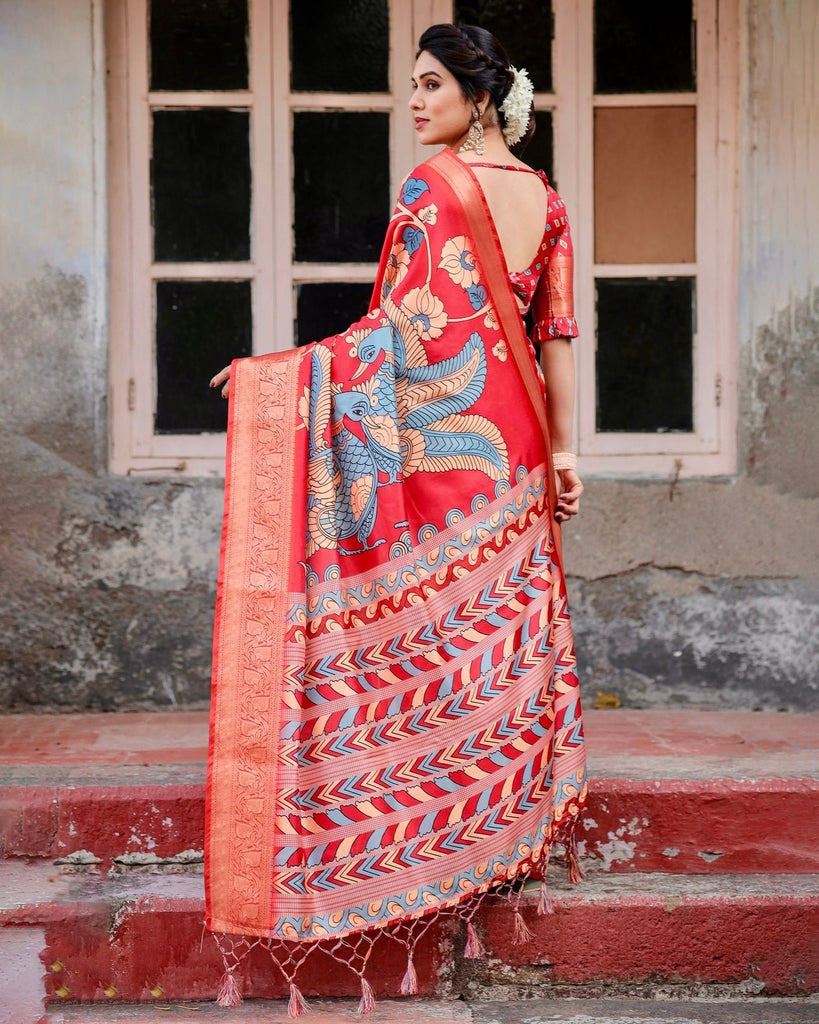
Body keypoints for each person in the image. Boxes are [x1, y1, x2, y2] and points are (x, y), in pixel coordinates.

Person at [206, 23, 587, 1017]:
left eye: (429, 86)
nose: (413, 103)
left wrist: (276, 381)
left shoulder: (432, 188)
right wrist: (566, 453)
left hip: (444, 440)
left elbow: (392, 333)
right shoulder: (546, 198)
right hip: (514, 440)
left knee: (423, 634)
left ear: (477, 96)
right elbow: (556, 335)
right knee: (491, 637)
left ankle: (428, 839)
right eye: (410, 86)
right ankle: (494, 831)